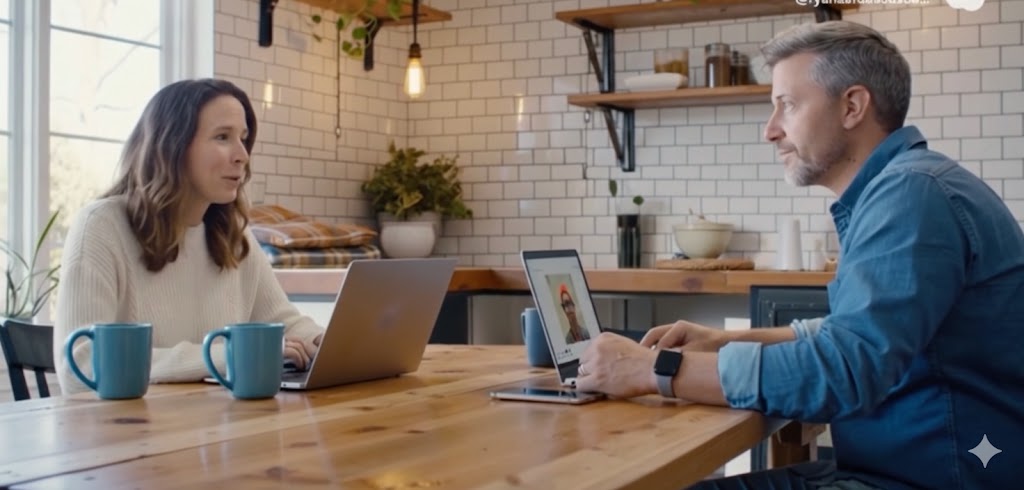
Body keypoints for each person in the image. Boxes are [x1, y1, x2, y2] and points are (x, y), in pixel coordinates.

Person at [575, 21, 1023, 490]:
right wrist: (722, 342)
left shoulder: (910, 194)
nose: (770, 131)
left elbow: (845, 370)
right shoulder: (906, 186)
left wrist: (650, 369)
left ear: (852, 106)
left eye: (786, 105)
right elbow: (850, 335)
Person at [55, 79, 325, 395]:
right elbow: (81, 366)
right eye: (223, 137)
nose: (242, 155)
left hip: (217, 433)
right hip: (134, 436)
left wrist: (325, 341)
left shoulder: (234, 236)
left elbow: (283, 322)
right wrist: (224, 356)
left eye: (243, 139)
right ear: (172, 146)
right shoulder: (100, 227)